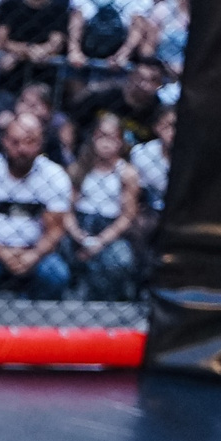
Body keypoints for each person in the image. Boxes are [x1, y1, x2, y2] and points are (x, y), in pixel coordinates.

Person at [0, 110, 73, 299]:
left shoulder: (55, 176)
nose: (21, 149)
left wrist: (33, 255)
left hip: (36, 252)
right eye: (15, 141)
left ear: (40, 143)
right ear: (4, 141)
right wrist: (2, 252)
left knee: (55, 273)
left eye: (29, 141)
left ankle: (39, 325)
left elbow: (55, 230)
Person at [64, 110, 143, 300]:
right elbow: (66, 210)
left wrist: (100, 241)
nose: (106, 143)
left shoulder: (126, 173)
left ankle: (107, 302)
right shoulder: (79, 168)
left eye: (112, 138)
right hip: (80, 225)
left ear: (121, 142)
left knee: (120, 259)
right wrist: (79, 235)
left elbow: (127, 215)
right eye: (101, 137)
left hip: (110, 228)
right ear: (93, 138)